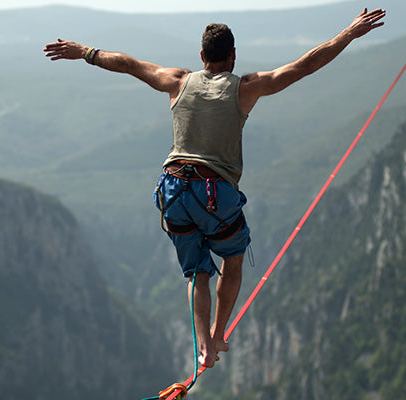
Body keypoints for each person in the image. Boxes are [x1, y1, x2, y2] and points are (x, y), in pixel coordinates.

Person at [43, 8, 386, 368]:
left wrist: (84, 51)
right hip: (213, 192)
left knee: (197, 273)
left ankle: (202, 343)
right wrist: (348, 34)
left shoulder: (176, 80)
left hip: (173, 190)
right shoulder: (245, 87)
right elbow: (303, 66)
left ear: (202, 56)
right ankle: (218, 335)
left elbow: (128, 63)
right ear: (233, 56)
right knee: (232, 262)